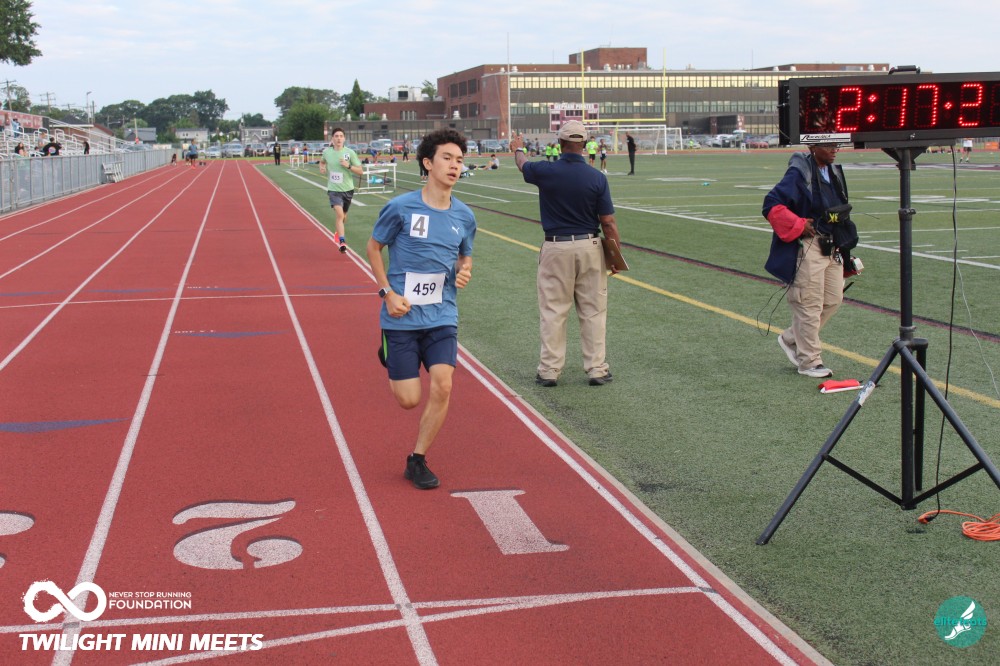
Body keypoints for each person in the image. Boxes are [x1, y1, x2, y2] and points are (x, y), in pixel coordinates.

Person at [366, 128, 476, 490]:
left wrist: (464, 271)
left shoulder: (465, 216)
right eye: (447, 158)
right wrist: (387, 293)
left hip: (442, 315)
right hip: (401, 316)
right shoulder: (401, 208)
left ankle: (417, 459)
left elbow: (465, 258)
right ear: (428, 163)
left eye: (459, 160)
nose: (455, 165)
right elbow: (373, 247)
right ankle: (388, 351)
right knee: (409, 400)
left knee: (443, 385)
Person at [515, 119, 621, 387]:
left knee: (553, 311)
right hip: (590, 246)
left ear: (560, 143)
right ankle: (596, 369)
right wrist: (615, 254)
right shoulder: (597, 177)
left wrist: (517, 148)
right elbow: (608, 222)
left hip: (556, 246)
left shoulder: (546, 171)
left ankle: (549, 370)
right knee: (593, 311)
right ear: (584, 144)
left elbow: (523, 165)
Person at [762, 143, 853, 378]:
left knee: (833, 299)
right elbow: (771, 204)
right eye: (829, 145)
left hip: (831, 245)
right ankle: (809, 361)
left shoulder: (833, 172)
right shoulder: (799, 172)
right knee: (809, 304)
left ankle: (791, 338)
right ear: (813, 146)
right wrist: (799, 224)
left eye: (836, 145)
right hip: (809, 245)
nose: (835, 149)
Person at [319, 128, 362, 253]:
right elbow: (322, 162)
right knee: (339, 214)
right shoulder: (327, 152)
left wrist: (348, 166)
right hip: (333, 189)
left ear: (344, 138)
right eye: (336, 136)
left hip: (348, 189)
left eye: (341, 136)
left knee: (343, 216)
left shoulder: (350, 153)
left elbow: (360, 171)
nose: (338, 138)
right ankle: (342, 241)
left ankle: (339, 231)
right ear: (332, 138)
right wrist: (322, 167)